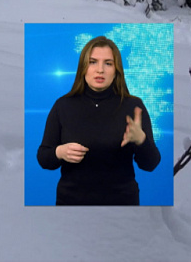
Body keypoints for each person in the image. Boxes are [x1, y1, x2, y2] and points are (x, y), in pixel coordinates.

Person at [36, 36, 161, 205]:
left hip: (122, 206)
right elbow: (43, 157)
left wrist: (141, 140)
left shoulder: (133, 106)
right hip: (71, 206)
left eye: (108, 63)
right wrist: (60, 152)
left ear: (116, 70)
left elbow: (151, 164)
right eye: (93, 62)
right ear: (83, 68)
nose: (100, 70)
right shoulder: (63, 105)